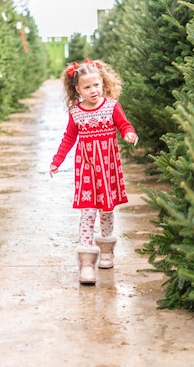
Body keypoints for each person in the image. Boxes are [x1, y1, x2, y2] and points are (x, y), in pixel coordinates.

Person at [49, 58, 138, 285]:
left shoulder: (112, 106)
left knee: (106, 210)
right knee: (88, 212)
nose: (93, 91)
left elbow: (124, 125)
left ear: (103, 83)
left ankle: (106, 251)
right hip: (87, 169)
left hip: (108, 168)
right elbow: (69, 138)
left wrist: (129, 134)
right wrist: (57, 160)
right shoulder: (76, 113)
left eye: (96, 85)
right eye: (87, 87)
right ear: (77, 89)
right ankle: (86, 262)